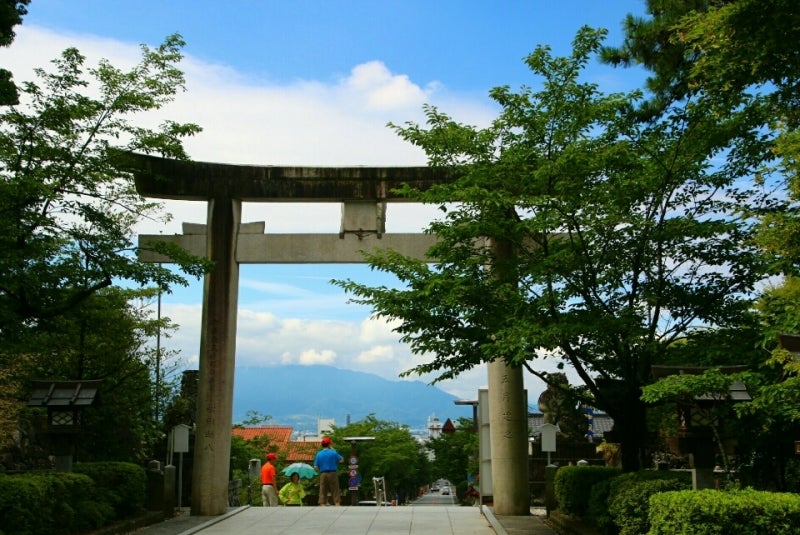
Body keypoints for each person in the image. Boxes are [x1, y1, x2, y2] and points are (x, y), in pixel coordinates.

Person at [313, 436, 343, 506]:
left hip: (323, 473)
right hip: (333, 473)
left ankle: (322, 503)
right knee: (335, 489)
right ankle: (337, 503)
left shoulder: (319, 454)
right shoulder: (333, 452)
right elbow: (341, 460)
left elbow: (315, 467)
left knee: (323, 489)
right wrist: (333, 450)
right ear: (329, 444)